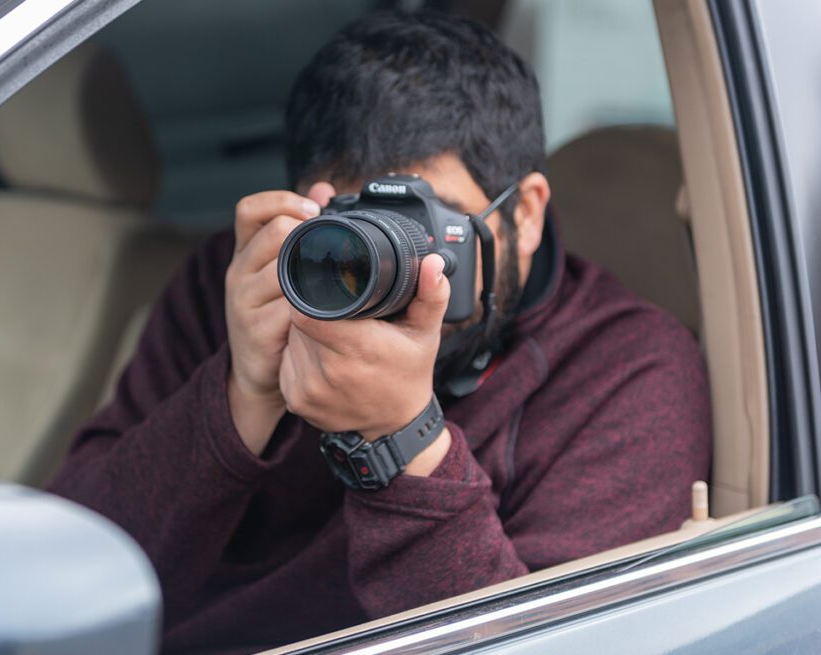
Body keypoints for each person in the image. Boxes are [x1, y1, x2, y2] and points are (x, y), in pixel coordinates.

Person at [50, 10, 710, 654]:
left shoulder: (627, 369)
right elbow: (67, 574)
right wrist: (239, 395)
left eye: (426, 227)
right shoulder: (246, 287)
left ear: (527, 214)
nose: (378, 267)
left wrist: (403, 442)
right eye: (348, 223)